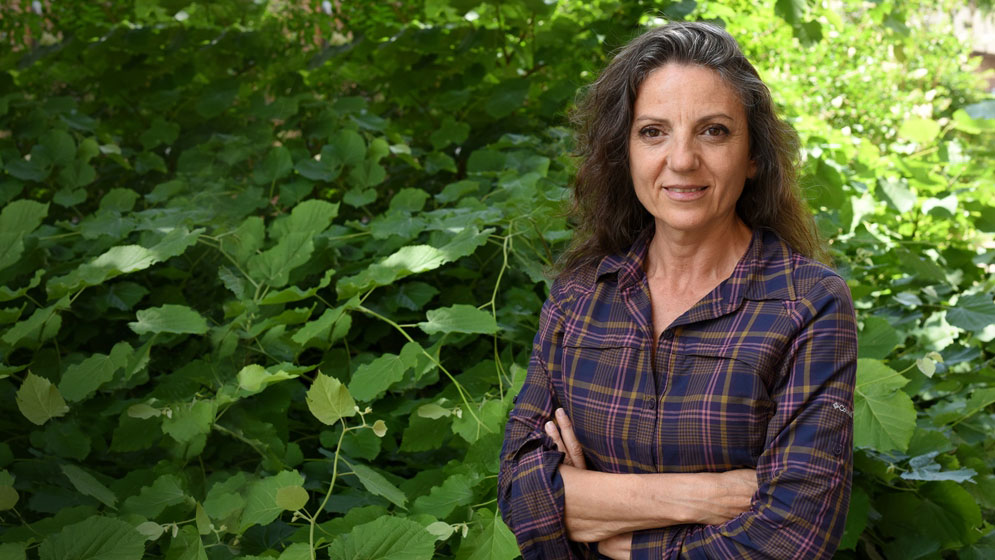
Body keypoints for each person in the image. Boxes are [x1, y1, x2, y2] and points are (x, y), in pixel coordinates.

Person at [497, 21, 857, 560]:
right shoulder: (579, 297)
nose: (682, 160)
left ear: (754, 155)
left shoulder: (808, 304)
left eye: (713, 131)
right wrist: (702, 498)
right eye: (653, 132)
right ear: (625, 152)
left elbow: (792, 536)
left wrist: (623, 534)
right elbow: (519, 495)